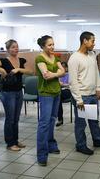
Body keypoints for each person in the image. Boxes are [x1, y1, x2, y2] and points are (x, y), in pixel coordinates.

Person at [68, 31, 100, 155]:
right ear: (84, 41)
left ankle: (97, 140)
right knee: (81, 123)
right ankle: (80, 145)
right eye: (92, 41)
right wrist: (78, 99)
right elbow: (72, 81)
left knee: (94, 120)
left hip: (92, 95)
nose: (94, 43)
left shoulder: (92, 55)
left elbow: (96, 72)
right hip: (82, 96)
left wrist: (98, 88)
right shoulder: (74, 58)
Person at [0, 39, 33, 151]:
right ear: (8, 49)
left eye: (16, 47)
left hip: (18, 92)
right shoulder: (4, 60)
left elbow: (30, 71)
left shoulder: (21, 60)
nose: (15, 49)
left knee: (16, 118)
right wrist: (1, 70)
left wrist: (18, 69)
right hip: (8, 93)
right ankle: (10, 143)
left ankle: (15, 140)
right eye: (13, 47)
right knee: (10, 118)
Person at [35, 35, 65, 166]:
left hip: (56, 92)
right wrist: (56, 73)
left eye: (53, 44)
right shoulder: (40, 58)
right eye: (49, 45)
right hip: (46, 94)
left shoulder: (55, 57)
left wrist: (55, 74)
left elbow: (63, 71)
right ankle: (42, 153)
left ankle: (51, 145)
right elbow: (46, 76)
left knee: (52, 120)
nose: (52, 47)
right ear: (43, 46)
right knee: (44, 123)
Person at [56, 61, 72, 127]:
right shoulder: (59, 75)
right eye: (61, 67)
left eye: (64, 67)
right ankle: (60, 119)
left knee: (58, 96)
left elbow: (70, 85)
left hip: (68, 91)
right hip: (60, 91)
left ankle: (60, 119)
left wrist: (64, 85)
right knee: (58, 98)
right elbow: (58, 83)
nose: (63, 68)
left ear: (66, 68)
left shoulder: (69, 75)